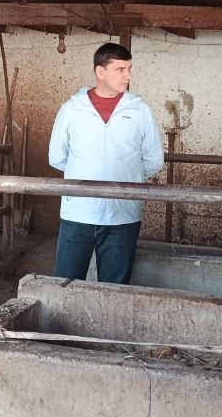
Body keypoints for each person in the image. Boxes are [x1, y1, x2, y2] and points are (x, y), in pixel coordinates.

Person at [48, 42, 164, 284]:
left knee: (115, 286)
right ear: (100, 72)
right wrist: (86, 173)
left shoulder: (140, 110)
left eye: (129, 69)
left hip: (123, 214)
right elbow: (57, 157)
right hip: (78, 211)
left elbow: (154, 159)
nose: (127, 76)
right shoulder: (72, 109)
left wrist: (126, 177)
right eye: (120, 69)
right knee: (65, 283)